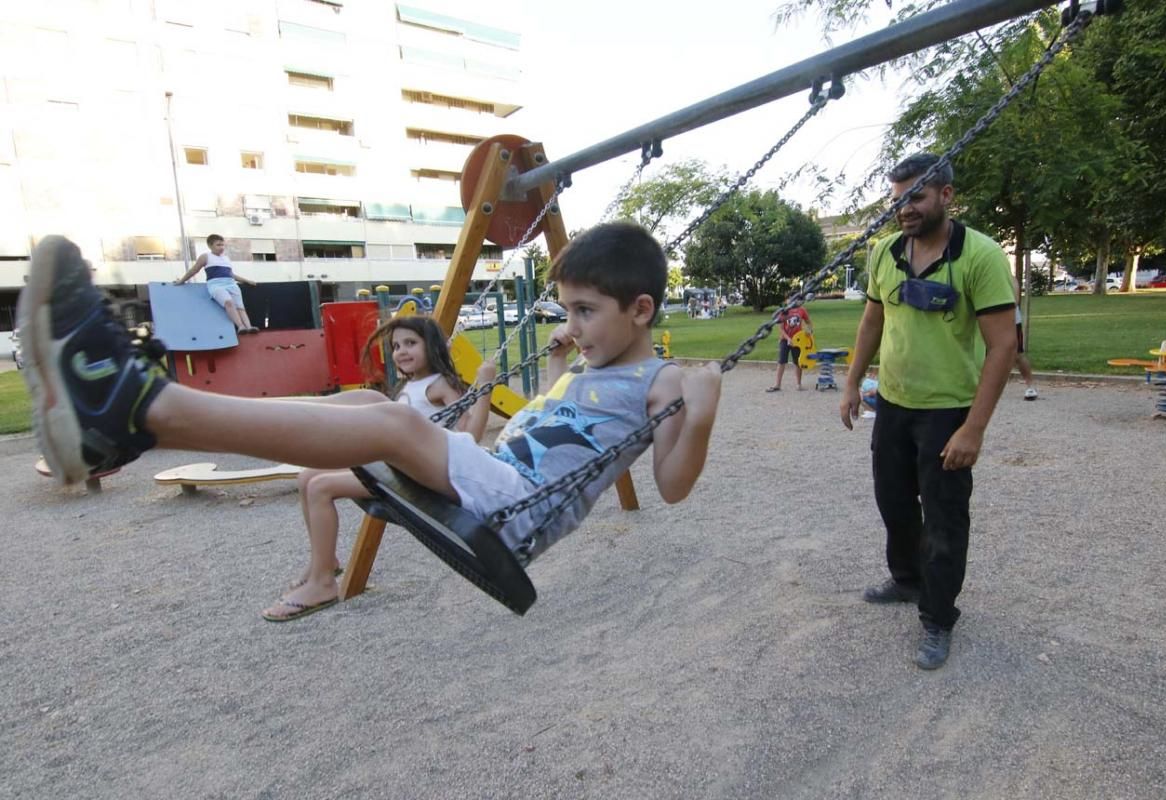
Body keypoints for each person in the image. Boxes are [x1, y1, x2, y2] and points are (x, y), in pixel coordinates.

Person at [19, 223, 723, 609]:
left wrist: (702, 413)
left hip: (517, 509)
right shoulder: (596, 365)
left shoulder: (661, 382)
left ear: (640, 311)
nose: (573, 322)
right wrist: (558, 361)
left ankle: (138, 408)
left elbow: (674, 483)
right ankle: (130, 425)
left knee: (394, 426)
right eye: (568, 308)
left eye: (586, 311)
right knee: (368, 404)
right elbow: (556, 422)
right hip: (502, 475)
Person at [839, 153, 1017, 671]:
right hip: (892, 404)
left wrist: (973, 429)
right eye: (897, 200)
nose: (904, 209)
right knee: (893, 504)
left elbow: (1003, 346)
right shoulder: (885, 252)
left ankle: (938, 618)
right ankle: (907, 580)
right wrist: (852, 382)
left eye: (915, 196)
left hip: (947, 412)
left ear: (946, 196)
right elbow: (872, 322)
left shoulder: (980, 256)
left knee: (943, 521)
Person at [264, 316, 497, 622]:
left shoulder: (440, 384)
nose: (401, 351)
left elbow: (471, 436)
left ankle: (322, 584)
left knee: (321, 487)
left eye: (411, 343)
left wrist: (486, 387)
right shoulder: (408, 386)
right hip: (398, 466)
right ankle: (323, 562)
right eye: (396, 346)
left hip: (419, 475)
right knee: (307, 476)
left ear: (433, 347)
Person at [174, 233, 259, 334]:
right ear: (210, 246)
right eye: (218, 245)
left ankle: (249, 327)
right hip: (216, 285)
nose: (221, 247)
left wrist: (247, 281)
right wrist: (181, 281)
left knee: (240, 306)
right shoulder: (206, 257)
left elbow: (231, 274)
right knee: (228, 302)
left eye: (223, 245)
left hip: (231, 283)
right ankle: (240, 326)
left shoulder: (226, 258)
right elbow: (194, 270)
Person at [767, 304, 813, 392]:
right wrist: (788, 339)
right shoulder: (784, 310)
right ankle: (777, 385)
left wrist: (809, 331)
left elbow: (809, 322)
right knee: (781, 361)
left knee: (798, 362)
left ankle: (799, 384)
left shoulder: (801, 310)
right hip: (784, 340)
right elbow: (781, 328)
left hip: (798, 340)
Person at [1012, 278, 1039, 400]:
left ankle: (1030, 386)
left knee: (1018, 355)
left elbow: (1015, 300)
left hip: (1011, 321)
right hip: (985, 321)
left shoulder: (1010, 278)